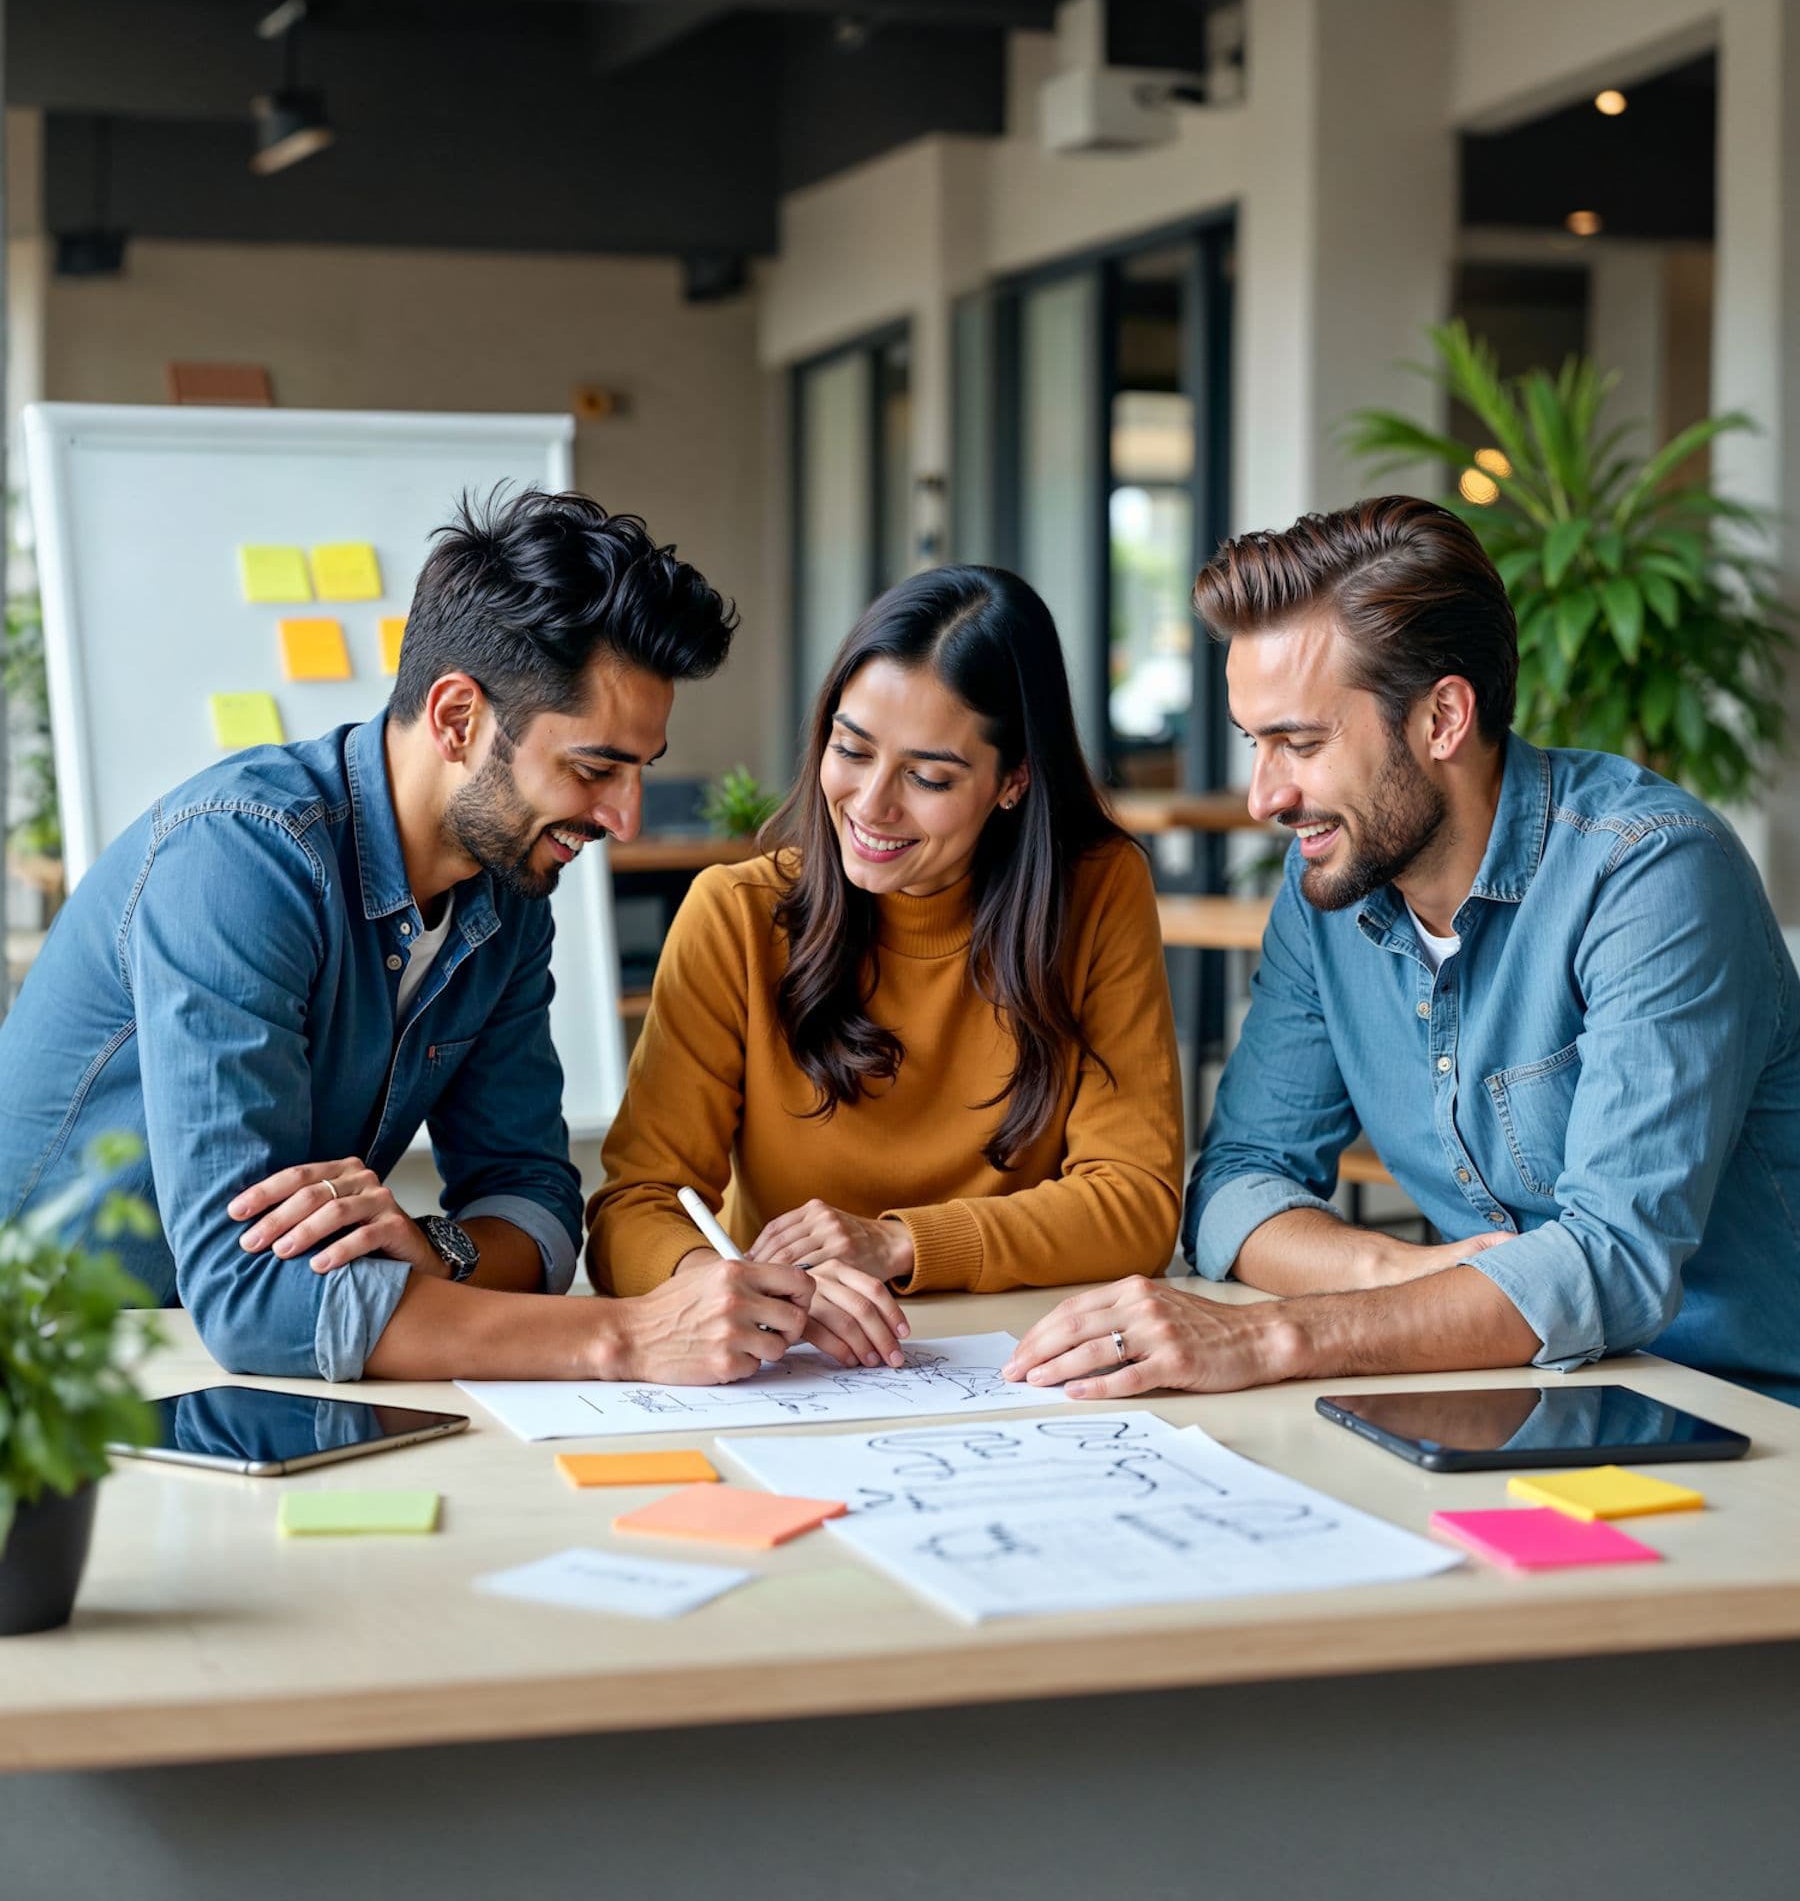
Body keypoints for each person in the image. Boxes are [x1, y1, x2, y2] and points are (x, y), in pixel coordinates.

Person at [0, 487, 814, 1385]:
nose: (624, 819)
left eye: (640, 774)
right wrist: (625, 1338)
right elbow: (254, 1299)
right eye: (593, 768)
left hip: (217, 1374)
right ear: (458, 717)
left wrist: (441, 1252)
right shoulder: (238, 861)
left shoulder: (505, 895)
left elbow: (538, 1204)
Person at [1007, 495, 1800, 1406]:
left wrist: (1273, 1334)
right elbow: (1235, 1186)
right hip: (1513, 1395)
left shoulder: (1648, 873)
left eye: (1299, 743)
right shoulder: (1329, 896)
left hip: (1738, 1411)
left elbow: (1613, 1262)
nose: (1265, 796)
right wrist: (1389, 1274)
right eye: (1255, 743)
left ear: (1443, 719)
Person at [586, 564, 1183, 1366]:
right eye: (851, 749)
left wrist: (896, 1243)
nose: (870, 805)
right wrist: (726, 1287)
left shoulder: (1095, 894)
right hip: (794, 1365)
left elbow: (1137, 1206)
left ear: (1014, 781)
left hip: (1020, 1364)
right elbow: (634, 1206)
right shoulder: (735, 916)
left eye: (929, 777)